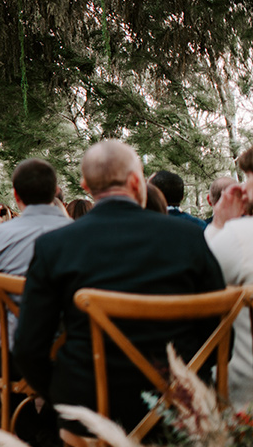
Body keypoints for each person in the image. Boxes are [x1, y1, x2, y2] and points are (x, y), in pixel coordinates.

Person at [13, 140, 224, 435]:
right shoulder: (190, 237)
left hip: (90, 407)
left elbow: (28, 347)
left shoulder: (55, 246)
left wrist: (62, 397)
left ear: (85, 185)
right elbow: (220, 334)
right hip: (182, 406)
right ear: (136, 181)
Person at [0, 159, 71, 380]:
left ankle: (10, 409)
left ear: (16, 195)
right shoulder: (81, 234)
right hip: (69, 354)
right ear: (55, 191)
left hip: (10, 353)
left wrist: (5, 329)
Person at [206, 146, 253, 405]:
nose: (243, 189)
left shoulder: (240, 235)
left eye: (248, 177)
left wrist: (220, 224)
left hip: (241, 404)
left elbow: (197, 283)